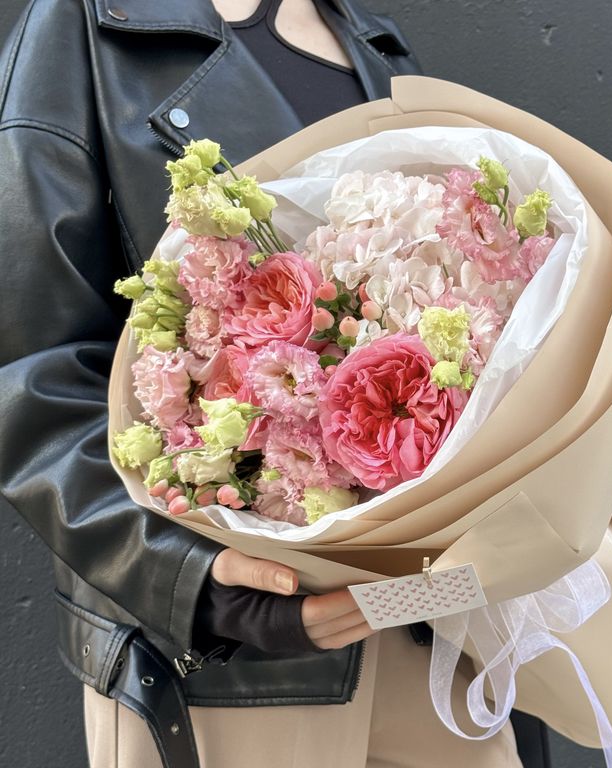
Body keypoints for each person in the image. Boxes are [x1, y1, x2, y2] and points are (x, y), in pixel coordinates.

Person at [0, 1, 538, 765]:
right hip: (230, 663)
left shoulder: (372, 44)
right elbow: (28, 364)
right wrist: (197, 579)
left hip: (431, 633)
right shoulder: (91, 28)